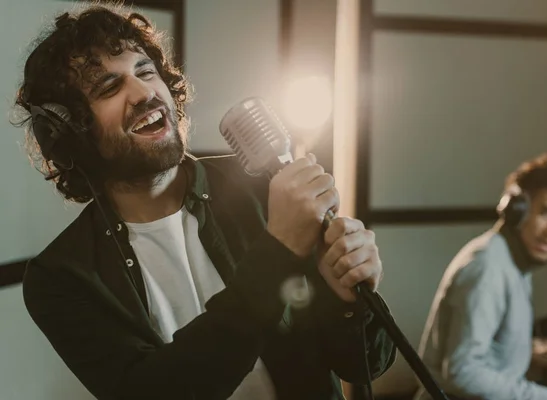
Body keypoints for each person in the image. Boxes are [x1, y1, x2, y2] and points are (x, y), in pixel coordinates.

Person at [13, 4, 395, 399]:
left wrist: (349, 300)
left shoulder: (267, 188)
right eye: (109, 88)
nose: (145, 92)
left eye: (146, 72)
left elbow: (365, 361)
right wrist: (279, 251)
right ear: (70, 134)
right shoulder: (60, 279)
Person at [414, 154, 547, 400]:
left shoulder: (513, 259)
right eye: (546, 213)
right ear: (517, 209)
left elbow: (483, 345)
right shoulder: (487, 268)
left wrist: (533, 354)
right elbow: (463, 372)